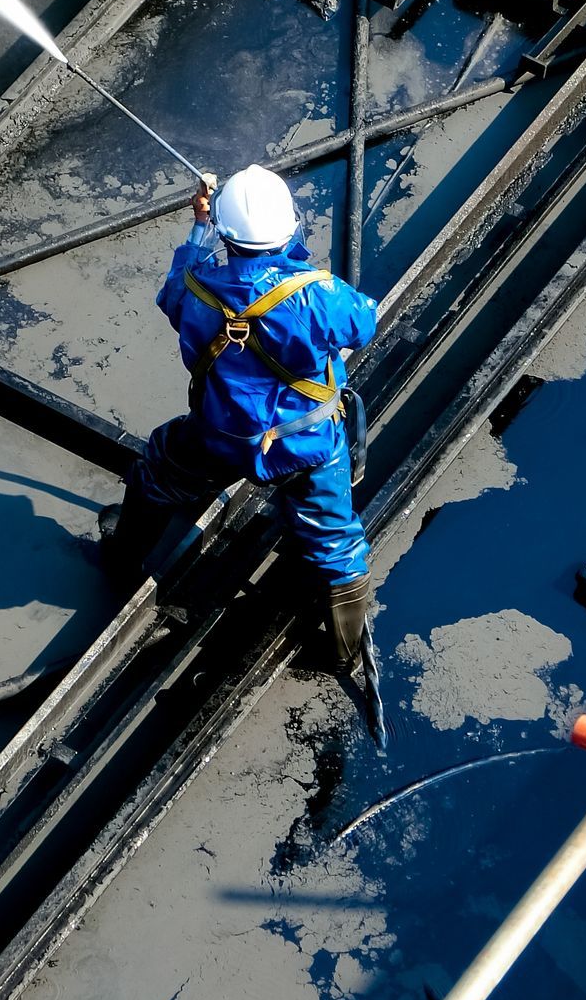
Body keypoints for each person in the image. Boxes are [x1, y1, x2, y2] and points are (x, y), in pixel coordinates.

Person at [99, 164, 380, 671]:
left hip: (219, 436)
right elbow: (363, 322)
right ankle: (342, 655)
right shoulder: (318, 294)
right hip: (306, 444)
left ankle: (122, 557)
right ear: (291, 225)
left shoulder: (194, 288)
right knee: (335, 543)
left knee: (158, 470)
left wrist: (201, 227)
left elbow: (172, 294)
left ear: (226, 233)